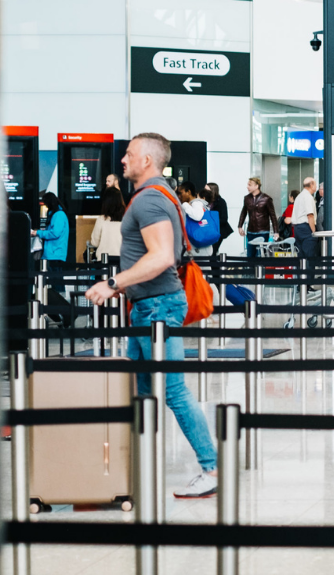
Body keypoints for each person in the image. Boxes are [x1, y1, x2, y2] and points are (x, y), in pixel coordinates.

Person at [84, 133, 218, 499]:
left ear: (147, 161)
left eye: (129, 154)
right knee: (141, 389)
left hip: (157, 306)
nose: (122, 160)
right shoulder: (158, 196)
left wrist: (113, 282)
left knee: (173, 391)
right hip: (147, 306)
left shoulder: (149, 202)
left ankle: (211, 468)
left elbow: (161, 257)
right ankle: (133, 467)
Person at [238, 176, 278, 256]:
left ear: (256, 186)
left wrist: (276, 231)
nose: (247, 187)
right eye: (247, 184)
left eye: (250, 185)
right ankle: (251, 269)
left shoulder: (267, 199)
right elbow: (243, 212)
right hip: (250, 231)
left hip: (263, 231)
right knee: (250, 255)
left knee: (260, 255)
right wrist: (240, 226)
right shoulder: (247, 198)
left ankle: (260, 269)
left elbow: (273, 216)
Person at [31, 192, 68, 268]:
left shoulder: (58, 215)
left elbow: (55, 233)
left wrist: (38, 232)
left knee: (53, 278)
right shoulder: (58, 214)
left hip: (54, 254)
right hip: (54, 254)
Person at [177, 181, 214, 256]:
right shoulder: (195, 205)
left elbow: (197, 216)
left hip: (198, 249)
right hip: (198, 246)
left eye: (181, 193)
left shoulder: (196, 203)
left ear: (188, 192)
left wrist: (185, 205)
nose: (179, 196)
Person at [89, 186, 125, 261]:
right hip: (123, 261)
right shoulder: (127, 220)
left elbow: (94, 243)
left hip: (104, 261)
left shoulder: (101, 220)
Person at [292, 177, 318, 258]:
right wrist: (314, 232)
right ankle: (309, 271)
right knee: (309, 257)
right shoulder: (308, 197)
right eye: (315, 184)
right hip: (306, 228)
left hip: (297, 229)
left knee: (301, 258)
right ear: (311, 185)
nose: (316, 186)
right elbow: (310, 215)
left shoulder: (299, 196)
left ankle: (302, 271)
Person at [207, 182, 234, 246]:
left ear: (212, 190)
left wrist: (211, 222)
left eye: (206, 190)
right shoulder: (205, 201)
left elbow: (224, 218)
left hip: (218, 230)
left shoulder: (221, 202)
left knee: (213, 250)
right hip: (208, 230)